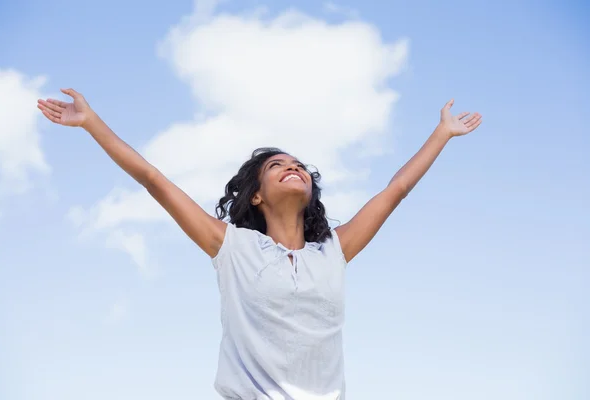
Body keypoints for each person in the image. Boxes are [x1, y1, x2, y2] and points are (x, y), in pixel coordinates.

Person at [37, 88, 482, 400]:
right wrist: (93, 123)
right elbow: (153, 179)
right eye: (277, 166)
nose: (293, 167)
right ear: (256, 194)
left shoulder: (333, 252)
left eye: (299, 165)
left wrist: (441, 133)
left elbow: (396, 189)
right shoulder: (231, 247)